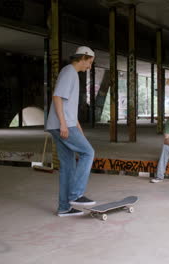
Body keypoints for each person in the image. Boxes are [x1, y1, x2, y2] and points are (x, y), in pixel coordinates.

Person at [45, 46, 96, 217]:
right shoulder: (69, 72)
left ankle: (64, 208)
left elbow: (70, 110)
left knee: (67, 166)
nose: (89, 67)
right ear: (82, 58)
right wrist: (64, 125)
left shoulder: (71, 73)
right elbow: (57, 97)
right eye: (89, 62)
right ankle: (76, 194)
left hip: (61, 124)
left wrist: (78, 130)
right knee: (88, 152)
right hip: (61, 125)